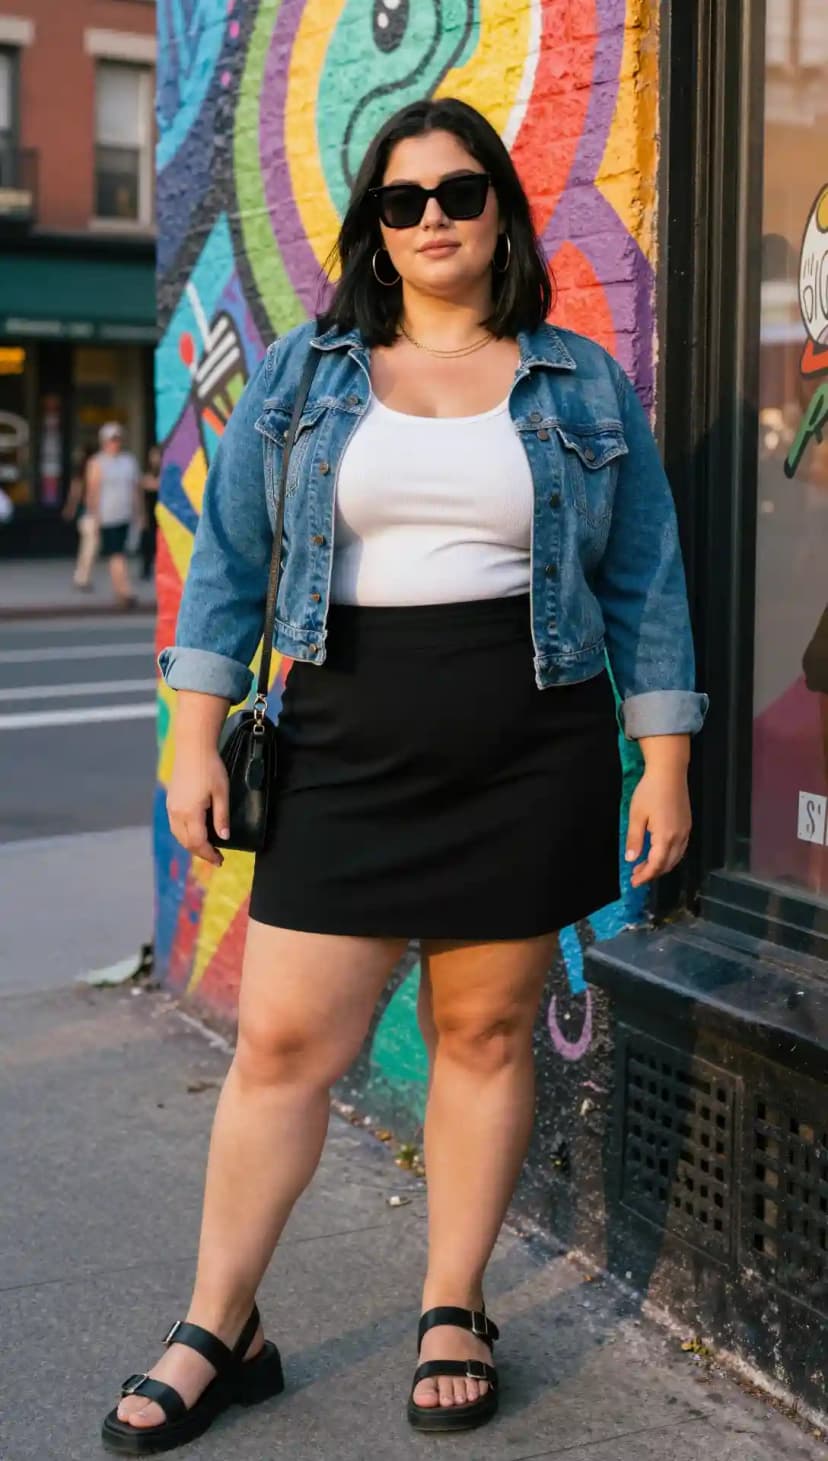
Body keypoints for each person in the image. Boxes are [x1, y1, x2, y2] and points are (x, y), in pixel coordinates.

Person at [102, 98, 708, 1452]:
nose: (433, 217)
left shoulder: (579, 381)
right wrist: (194, 738)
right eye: (402, 199)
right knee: (283, 1044)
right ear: (375, 228)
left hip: (528, 741)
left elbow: (646, 580)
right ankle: (220, 1325)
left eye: (459, 192)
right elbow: (231, 565)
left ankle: (454, 1305)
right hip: (342, 740)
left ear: (501, 211)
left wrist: (662, 759)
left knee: (481, 1036)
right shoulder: (308, 373)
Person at [86, 423, 140, 609]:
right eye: (111, 440)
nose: (115, 444)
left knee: (120, 554)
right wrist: (94, 517)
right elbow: (93, 492)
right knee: (117, 554)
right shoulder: (97, 463)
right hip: (107, 515)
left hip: (125, 514)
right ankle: (125, 590)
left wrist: (139, 513)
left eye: (117, 440)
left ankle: (120, 590)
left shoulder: (128, 461)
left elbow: (135, 489)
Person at [63, 445, 98, 591]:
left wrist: (70, 508)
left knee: (87, 546)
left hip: (87, 513)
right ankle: (82, 578)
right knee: (90, 547)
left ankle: (81, 576)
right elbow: (75, 493)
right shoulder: (86, 474)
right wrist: (71, 508)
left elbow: (74, 493)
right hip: (89, 513)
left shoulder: (81, 474)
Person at [139, 444, 161, 581]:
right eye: (153, 455)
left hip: (162, 515)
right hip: (149, 513)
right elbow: (142, 495)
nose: (155, 458)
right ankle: (146, 568)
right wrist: (142, 515)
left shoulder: (166, 473)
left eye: (157, 455)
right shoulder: (146, 474)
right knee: (147, 542)